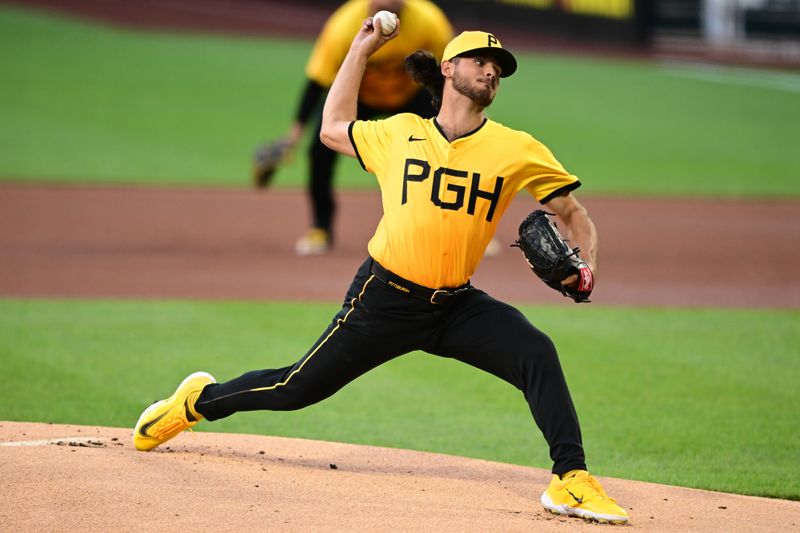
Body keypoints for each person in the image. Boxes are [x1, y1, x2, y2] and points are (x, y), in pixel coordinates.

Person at [134, 20, 629, 525]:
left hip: (456, 305)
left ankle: (569, 479)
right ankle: (196, 403)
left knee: (536, 352)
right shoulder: (400, 132)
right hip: (383, 298)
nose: (491, 71)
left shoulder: (516, 148)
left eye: (498, 67)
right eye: (480, 61)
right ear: (449, 69)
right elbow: (330, 128)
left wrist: (585, 265)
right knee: (296, 389)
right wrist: (361, 48)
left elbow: (573, 214)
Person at [269, 0, 453, 255]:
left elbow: (448, 73)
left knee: (448, 147)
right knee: (320, 150)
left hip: (410, 94)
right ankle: (320, 227)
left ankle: (456, 226)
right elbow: (318, 82)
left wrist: (457, 117)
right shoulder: (342, 26)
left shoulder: (430, 21)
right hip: (360, 96)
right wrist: (294, 136)